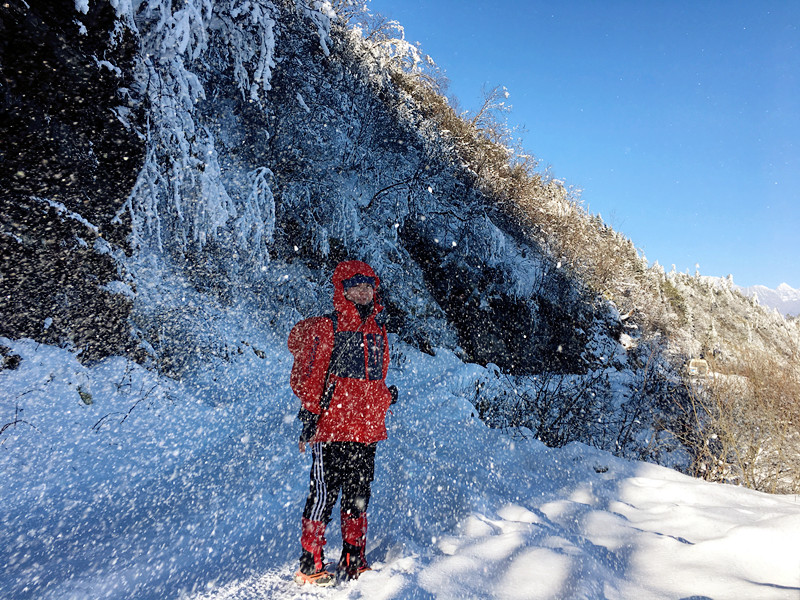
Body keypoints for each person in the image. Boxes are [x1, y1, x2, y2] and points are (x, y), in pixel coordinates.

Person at [288, 260, 398, 586]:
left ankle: (353, 558)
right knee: (323, 495)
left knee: (359, 494)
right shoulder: (328, 327)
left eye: (368, 286)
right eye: (356, 286)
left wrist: (385, 397)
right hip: (332, 428)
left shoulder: (378, 331)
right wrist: (310, 416)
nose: (363, 292)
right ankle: (311, 564)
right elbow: (309, 378)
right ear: (343, 290)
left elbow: (373, 379)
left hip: (365, 431)